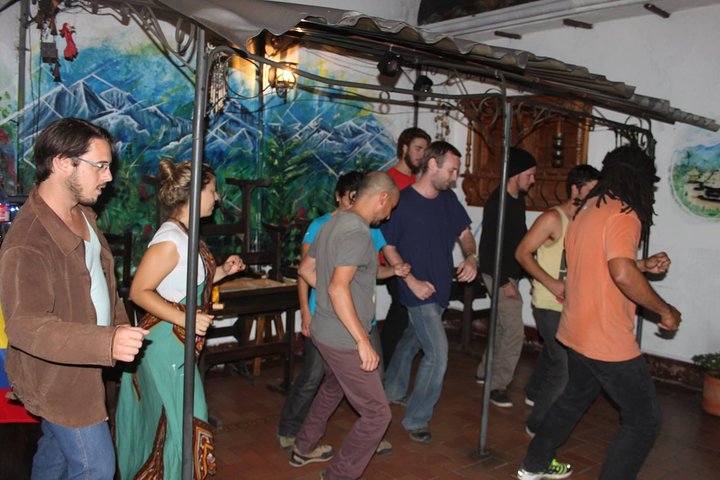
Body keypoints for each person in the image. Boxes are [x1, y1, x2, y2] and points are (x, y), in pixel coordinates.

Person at [517, 145, 682, 480]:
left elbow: (602, 265)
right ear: (637, 178)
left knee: (573, 399)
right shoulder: (624, 213)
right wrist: (664, 311)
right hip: (606, 339)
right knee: (644, 420)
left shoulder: (587, 209)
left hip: (576, 329)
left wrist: (641, 265)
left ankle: (534, 464)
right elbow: (620, 273)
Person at [0, 118, 148, 479]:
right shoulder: (28, 241)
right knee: (96, 466)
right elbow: (25, 325)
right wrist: (106, 341)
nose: (108, 176)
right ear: (63, 163)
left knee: (56, 455)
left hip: (85, 366)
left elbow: (101, 279)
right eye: (100, 165)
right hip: (60, 379)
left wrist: (117, 328)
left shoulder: (82, 214)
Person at [115, 159, 245, 479]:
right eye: (213, 190)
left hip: (179, 344)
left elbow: (183, 284)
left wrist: (223, 271)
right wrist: (186, 319)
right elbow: (139, 291)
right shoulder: (171, 239)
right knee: (184, 421)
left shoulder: (186, 234)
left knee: (176, 423)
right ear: (195, 193)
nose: (217, 198)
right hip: (165, 346)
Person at [277, 171, 409, 455]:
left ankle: (303, 447)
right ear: (381, 198)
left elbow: (306, 270)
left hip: (328, 327)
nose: (388, 215)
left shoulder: (332, 223)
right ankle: (338, 473)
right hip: (344, 334)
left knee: (333, 387)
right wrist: (362, 340)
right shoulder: (358, 232)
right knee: (378, 414)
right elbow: (338, 288)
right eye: (391, 207)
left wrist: (332, 297)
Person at [382, 141, 478, 443]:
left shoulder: (448, 199)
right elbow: (388, 246)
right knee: (437, 354)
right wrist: (410, 281)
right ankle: (417, 419)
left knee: (412, 339)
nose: (455, 177)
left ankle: (391, 389)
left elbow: (465, 233)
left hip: (441, 288)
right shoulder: (402, 202)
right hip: (416, 290)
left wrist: (471, 257)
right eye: (452, 170)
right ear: (433, 164)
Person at [515, 165, 600, 436]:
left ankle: (533, 391)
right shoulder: (552, 218)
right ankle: (537, 425)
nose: (596, 196)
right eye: (591, 190)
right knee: (564, 366)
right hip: (549, 304)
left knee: (554, 354)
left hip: (575, 304)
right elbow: (522, 253)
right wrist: (551, 283)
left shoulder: (589, 219)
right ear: (575, 189)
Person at [475, 147, 537, 408]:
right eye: (529, 175)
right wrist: (503, 283)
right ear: (515, 174)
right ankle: (496, 386)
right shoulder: (497, 203)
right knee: (513, 332)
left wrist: (531, 273)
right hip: (497, 274)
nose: (532, 180)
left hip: (508, 273)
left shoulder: (516, 199)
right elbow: (488, 249)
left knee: (502, 327)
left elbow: (520, 240)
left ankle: (484, 373)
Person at [381, 127, 431, 368]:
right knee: (401, 314)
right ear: (404, 148)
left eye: (425, 151)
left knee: (408, 315)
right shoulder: (386, 180)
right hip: (390, 259)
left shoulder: (419, 183)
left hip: (413, 259)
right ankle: (383, 365)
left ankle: (392, 367)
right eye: (418, 149)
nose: (421, 155)